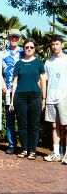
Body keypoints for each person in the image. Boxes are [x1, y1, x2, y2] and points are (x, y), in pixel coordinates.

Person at [11, 38, 46, 160]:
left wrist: (44, 99)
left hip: (35, 96)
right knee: (22, 124)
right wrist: (12, 101)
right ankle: (24, 149)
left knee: (34, 125)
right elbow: (14, 83)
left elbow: (43, 81)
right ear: (24, 49)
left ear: (34, 49)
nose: (29, 49)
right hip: (20, 97)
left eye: (31, 47)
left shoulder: (39, 63)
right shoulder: (19, 64)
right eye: (27, 47)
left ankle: (32, 151)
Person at [43, 35, 67, 164]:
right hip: (51, 98)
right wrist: (45, 98)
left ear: (62, 45)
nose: (55, 46)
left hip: (64, 97)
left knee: (66, 126)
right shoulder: (48, 62)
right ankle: (56, 153)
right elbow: (46, 81)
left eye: (57, 44)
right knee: (54, 125)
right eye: (53, 44)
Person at [2, 29, 24, 154]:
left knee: (22, 119)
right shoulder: (3, 53)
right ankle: (12, 145)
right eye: (12, 37)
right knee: (10, 119)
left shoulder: (24, 52)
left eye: (16, 37)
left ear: (19, 38)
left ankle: (24, 146)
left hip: (22, 90)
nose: (14, 39)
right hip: (9, 89)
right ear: (9, 38)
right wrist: (3, 86)